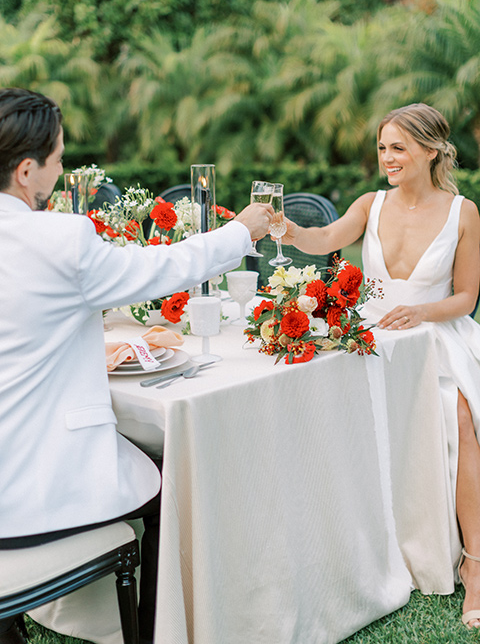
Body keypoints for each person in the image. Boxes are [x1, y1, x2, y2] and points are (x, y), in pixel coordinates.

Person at [0, 87, 273, 644]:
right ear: (27, 171)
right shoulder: (54, 237)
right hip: (32, 494)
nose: (60, 171)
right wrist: (241, 231)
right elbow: (159, 267)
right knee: (171, 467)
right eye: (57, 160)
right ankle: (177, 621)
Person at [282, 102, 480, 629]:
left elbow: (466, 298)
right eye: (382, 147)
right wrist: (287, 231)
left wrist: (419, 310)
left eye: (399, 147)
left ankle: (476, 566)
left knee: (459, 415)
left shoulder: (464, 213)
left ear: (431, 149)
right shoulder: (370, 203)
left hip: (436, 335)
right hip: (372, 338)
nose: (387, 157)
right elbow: (324, 240)